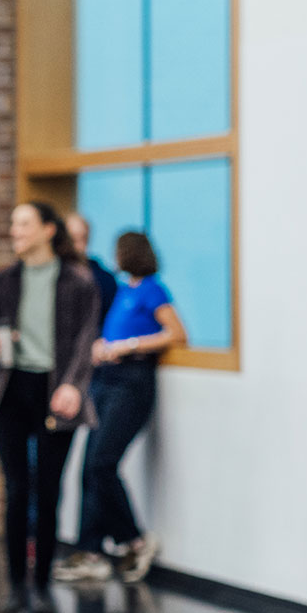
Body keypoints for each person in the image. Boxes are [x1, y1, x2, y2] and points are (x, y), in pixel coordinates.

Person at [0, 200, 100, 613]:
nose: (15, 231)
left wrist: (73, 384)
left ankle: (42, 587)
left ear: (49, 230)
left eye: (24, 224)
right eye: (13, 224)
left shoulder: (78, 283)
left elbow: (87, 339)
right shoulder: (3, 281)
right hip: (12, 392)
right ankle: (15, 587)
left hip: (56, 392)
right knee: (16, 490)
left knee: (48, 492)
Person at [55, 231, 186, 584]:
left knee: (102, 463)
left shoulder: (152, 290)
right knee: (90, 468)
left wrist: (128, 346)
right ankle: (94, 548)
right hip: (107, 381)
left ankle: (134, 540)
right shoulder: (125, 290)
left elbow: (176, 333)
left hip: (132, 383)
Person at [68, 210, 119, 321]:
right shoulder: (50, 275)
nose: (79, 246)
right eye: (74, 239)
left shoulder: (104, 279)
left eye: (84, 238)